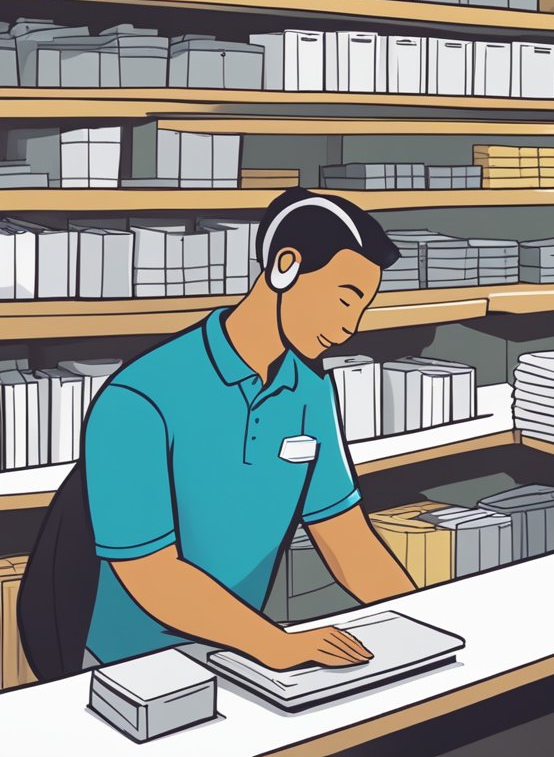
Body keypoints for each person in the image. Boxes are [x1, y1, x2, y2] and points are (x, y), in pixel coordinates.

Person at [82, 188, 416, 669]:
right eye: (345, 300)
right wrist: (275, 645)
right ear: (285, 266)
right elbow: (150, 574)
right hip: (134, 663)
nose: (349, 328)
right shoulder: (137, 399)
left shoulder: (310, 391)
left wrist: (423, 618)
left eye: (361, 308)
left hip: (242, 652)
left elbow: (347, 540)